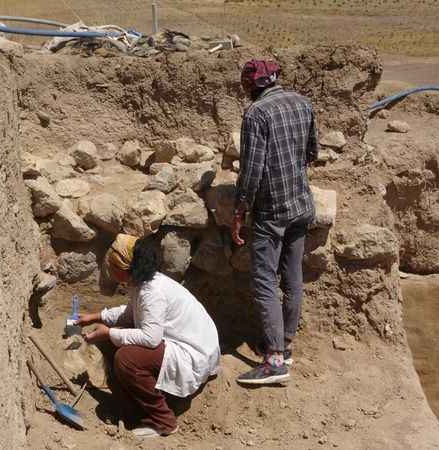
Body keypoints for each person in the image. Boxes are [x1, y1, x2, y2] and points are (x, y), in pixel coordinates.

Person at [77, 234, 221, 438]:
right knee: (119, 339)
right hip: (191, 342)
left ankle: (164, 421)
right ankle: (135, 409)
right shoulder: (142, 283)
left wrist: (109, 333)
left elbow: (151, 338)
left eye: (113, 265)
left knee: (127, 359)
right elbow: (130, 313)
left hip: (193, 352)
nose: (110, 269)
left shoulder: (152, 291)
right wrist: (95, 317)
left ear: (125, 268)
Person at [231, 59, 317, 385]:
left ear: (253, 85)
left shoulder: (257, 114)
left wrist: (239, 211)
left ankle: (274, 360)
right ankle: (287, 343)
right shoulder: (303, 103)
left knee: (264, 281)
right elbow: (311, 153)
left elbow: (251, 172)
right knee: (292, 275)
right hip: (302, 204)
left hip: (272, 211)